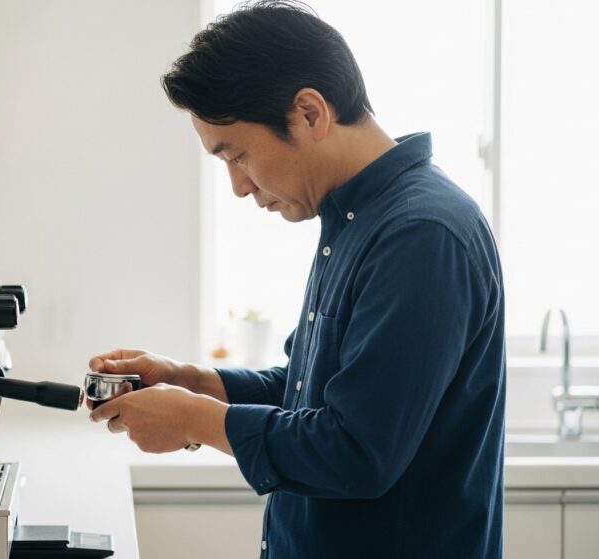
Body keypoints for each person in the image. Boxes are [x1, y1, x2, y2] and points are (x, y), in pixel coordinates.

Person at [87, 1, 506, 557]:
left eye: (235, 154)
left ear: (310, 113)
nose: (238, 186)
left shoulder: (422, 234)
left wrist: (195, 421)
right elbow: (313, 393)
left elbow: (359, 451)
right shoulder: (356, 219)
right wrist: (193, 381)